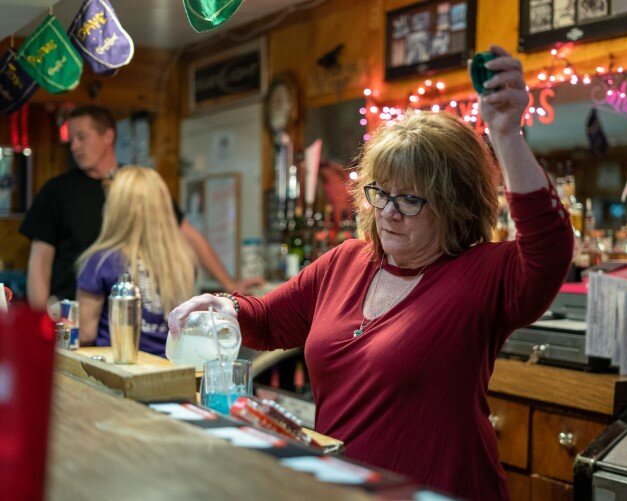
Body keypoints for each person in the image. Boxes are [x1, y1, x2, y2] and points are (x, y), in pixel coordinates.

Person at [169, 45, 574, 500]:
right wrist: (219, 306)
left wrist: (506, 134)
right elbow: (264, 319)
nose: (389, 212)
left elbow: (550, 247)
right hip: (343, 489)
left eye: (411, 200)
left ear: (455, 207)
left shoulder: (481, 274)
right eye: (380, 193)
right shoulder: (345, 262)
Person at [19, 105, 259, 310]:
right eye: (71, 139)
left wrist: (229, 283)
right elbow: (39, 264)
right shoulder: (57, 190)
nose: (74, 146)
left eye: (81, 137)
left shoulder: (139, 184)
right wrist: (42, 325)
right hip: (76, 318)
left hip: (134, 314)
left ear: (108, 137)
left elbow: (189, 235)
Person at [77, 166, 195, 356]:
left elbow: (84, 333)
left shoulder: (102, 261)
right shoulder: (182, 260)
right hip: (170, 372)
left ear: (118, 211)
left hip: (120, 372)